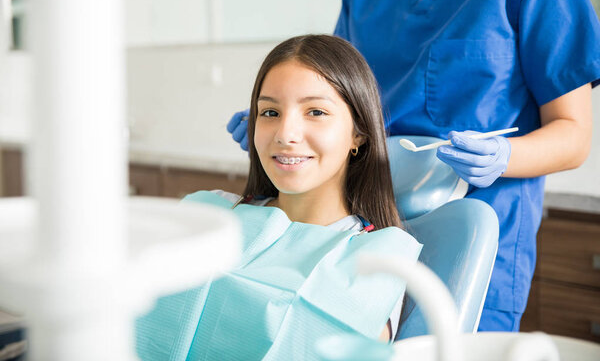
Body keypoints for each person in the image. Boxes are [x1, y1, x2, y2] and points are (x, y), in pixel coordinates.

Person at [228, 0, 600, 333]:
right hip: (359, 228)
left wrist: (504, 157)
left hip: (472, 234)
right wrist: (284, 123)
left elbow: (573, 135)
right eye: (270, 111)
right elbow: (338, 95)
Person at [136, 34, 422, 360]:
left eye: (315, 112)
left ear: (358, 132)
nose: (286, 134)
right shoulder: (209, 213)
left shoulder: (373, 263)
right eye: (270, 113)